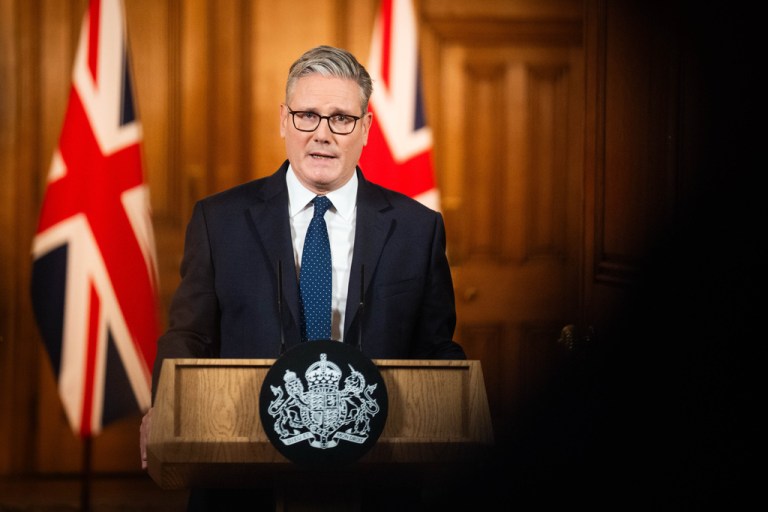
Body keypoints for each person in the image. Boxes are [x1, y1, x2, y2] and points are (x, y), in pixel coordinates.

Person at [139, 45, 465, 509]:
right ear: (284, 121)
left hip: (377, 477)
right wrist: (164, 407)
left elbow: (435, 347)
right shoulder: (219, 220)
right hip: (240, 474)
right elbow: (189, 334)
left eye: (341, 119)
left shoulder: (418, 228)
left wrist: (464, 404)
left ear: (367, 128)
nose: (323, 135)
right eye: (307, 115)